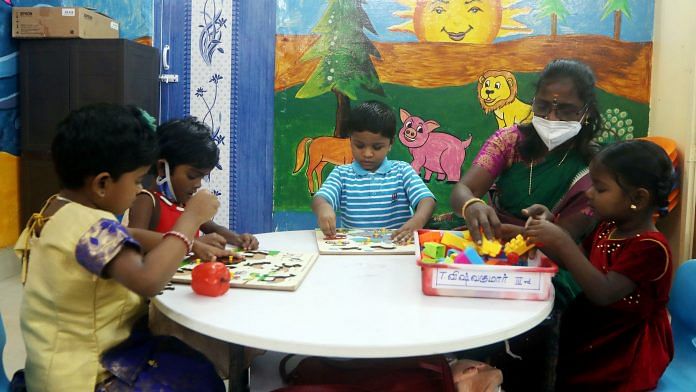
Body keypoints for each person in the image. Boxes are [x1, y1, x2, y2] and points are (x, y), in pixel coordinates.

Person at [14, 104, 224, 390]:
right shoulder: (91, 226)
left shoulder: (57, 209)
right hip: (89, 376)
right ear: (102, 183)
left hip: (50, 366)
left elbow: (126, 233)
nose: (139, 190)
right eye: (137, 181)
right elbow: (147, 280)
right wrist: (190, 221)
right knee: (200, 377)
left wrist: (190, 242)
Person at [525, 140, 675, 390]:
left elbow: (604, 292)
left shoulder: (650, 248)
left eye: (600, 188)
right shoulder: (609, 227)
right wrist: (544, 230)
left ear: (637, 198)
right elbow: (577, 263)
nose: (589, 193)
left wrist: (562, 240)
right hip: (593, 336)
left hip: (624, 353)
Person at [127, 117, 258, 258]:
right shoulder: (147, 200)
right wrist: (193, 243)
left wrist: (238, 239)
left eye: (203, 177)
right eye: (192, 176)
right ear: (162, 168)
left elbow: (213, 228)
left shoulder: (187, 204)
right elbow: (133, 243)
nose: (198, 184)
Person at [312, 100, 436, 243]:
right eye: (359, 146)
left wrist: (418, 221)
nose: (367, 154)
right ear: (350, 140)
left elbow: (427, 200)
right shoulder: (341, 174)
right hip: (353, 251)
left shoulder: (402, 171)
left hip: (397, 248)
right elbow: (320, 198)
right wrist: (323, 208)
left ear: (390, 143)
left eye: (377, 147)